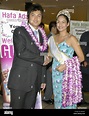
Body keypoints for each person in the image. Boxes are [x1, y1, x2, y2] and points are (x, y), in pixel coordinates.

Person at [7, 3, 48, 109]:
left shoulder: (43, 36)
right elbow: (21, 52)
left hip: (35, 80)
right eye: (33, 15)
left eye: (39, 15)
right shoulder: (20, 31)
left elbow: (44, 55)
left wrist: (43, 79)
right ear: (28, 16)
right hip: (20, 79)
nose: (36, 18)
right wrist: (42, 59)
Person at [43, 9, 84, 109]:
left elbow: (81, 58)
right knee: (58, 99)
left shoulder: (71, 38)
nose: (60, 25)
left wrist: (66, 65)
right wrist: (47, 59)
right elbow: (50, 54)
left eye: (63, 22)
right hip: (56, 73)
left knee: (67, 101)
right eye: (58, 22)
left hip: (68, 74)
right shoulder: (52, 39)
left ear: (67, 24)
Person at [42, 21, 57, 104]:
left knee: (51, 81)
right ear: (52, 28)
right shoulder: (50, 38)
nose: (56, 29)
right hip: (49, 64)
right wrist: (50, 65)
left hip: (52, 64)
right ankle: (46, 97)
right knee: (49, 82)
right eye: (54, 27)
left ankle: (48, 96)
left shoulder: (54, 37)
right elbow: (48, 53)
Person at [78, 31, 89, 105]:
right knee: (83, 83)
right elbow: (81, 49)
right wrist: (83, 60)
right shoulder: (85, 35)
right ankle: (80, 100)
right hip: (86, 64)